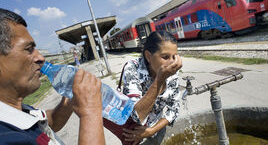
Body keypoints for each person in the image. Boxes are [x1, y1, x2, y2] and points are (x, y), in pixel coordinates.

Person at [0, 8, 105, 145]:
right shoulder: (7, 139)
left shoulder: (20, 111)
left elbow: (51, 122)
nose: (40, 58)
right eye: (29, 49)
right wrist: (90, 113)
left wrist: (69, 100)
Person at [104, 31, 183, 145]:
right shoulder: (132, 68)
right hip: (134, 135)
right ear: (148, 56)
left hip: (156, 129)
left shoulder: (172, 72)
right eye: (165, 57)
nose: (172, 62)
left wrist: (151, 131)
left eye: (174, 56)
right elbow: (136, 116)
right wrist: (159, 80)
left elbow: (174, 108)